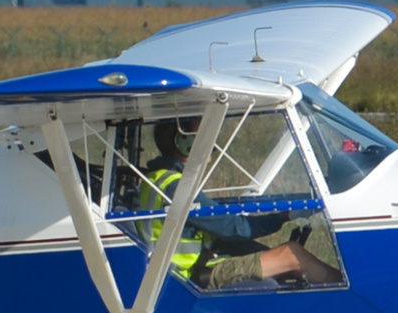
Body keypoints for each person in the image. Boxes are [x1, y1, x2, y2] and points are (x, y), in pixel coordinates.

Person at [137, 118, 342, 288]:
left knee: (268, 251)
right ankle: (345, 297)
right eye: (204, 135)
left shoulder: (158, 179)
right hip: (187, 279)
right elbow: (235, 228)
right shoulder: (178, 187)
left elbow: (214, 228)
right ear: (184, 142)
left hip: (179, 272)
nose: (212, 141)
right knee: (291, 254)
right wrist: (284, 216)